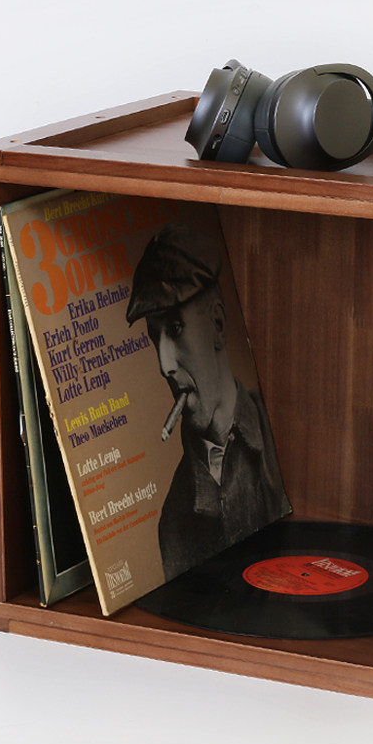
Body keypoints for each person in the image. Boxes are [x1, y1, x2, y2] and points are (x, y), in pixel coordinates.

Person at [126, 222, 290, 580]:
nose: (165, 365)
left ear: (217, 324)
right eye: (155, 338)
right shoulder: (175, 517)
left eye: (175, 329)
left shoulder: (281, 431)